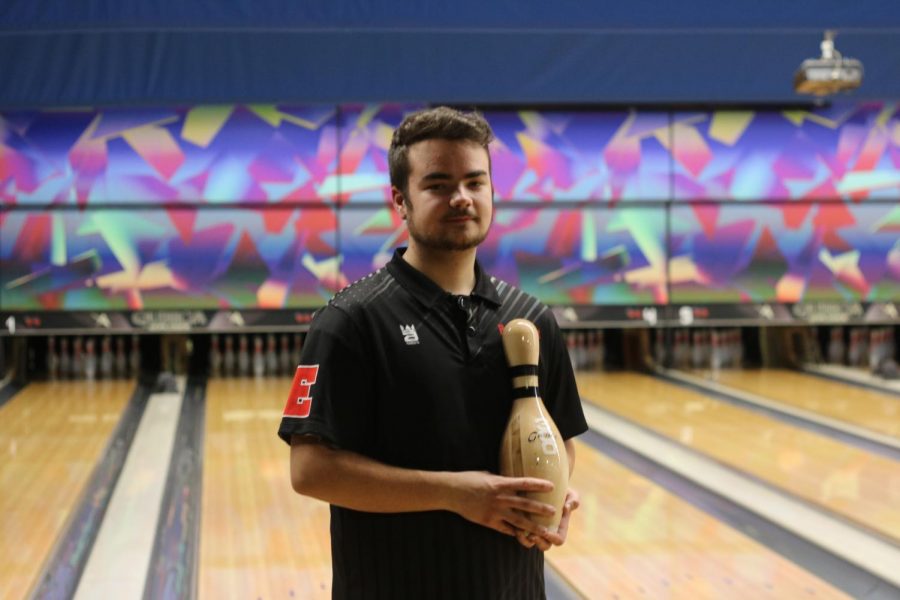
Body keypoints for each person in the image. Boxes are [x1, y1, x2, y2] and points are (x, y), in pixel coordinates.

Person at [278, 106, 588, 599]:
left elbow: (561, 440)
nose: (460, 198)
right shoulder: (350, 321)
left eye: (474, 182)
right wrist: (454, 494)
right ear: (400, 201)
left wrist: (554, 492)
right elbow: (310, 469)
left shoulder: (533, 320)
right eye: (438, 185)